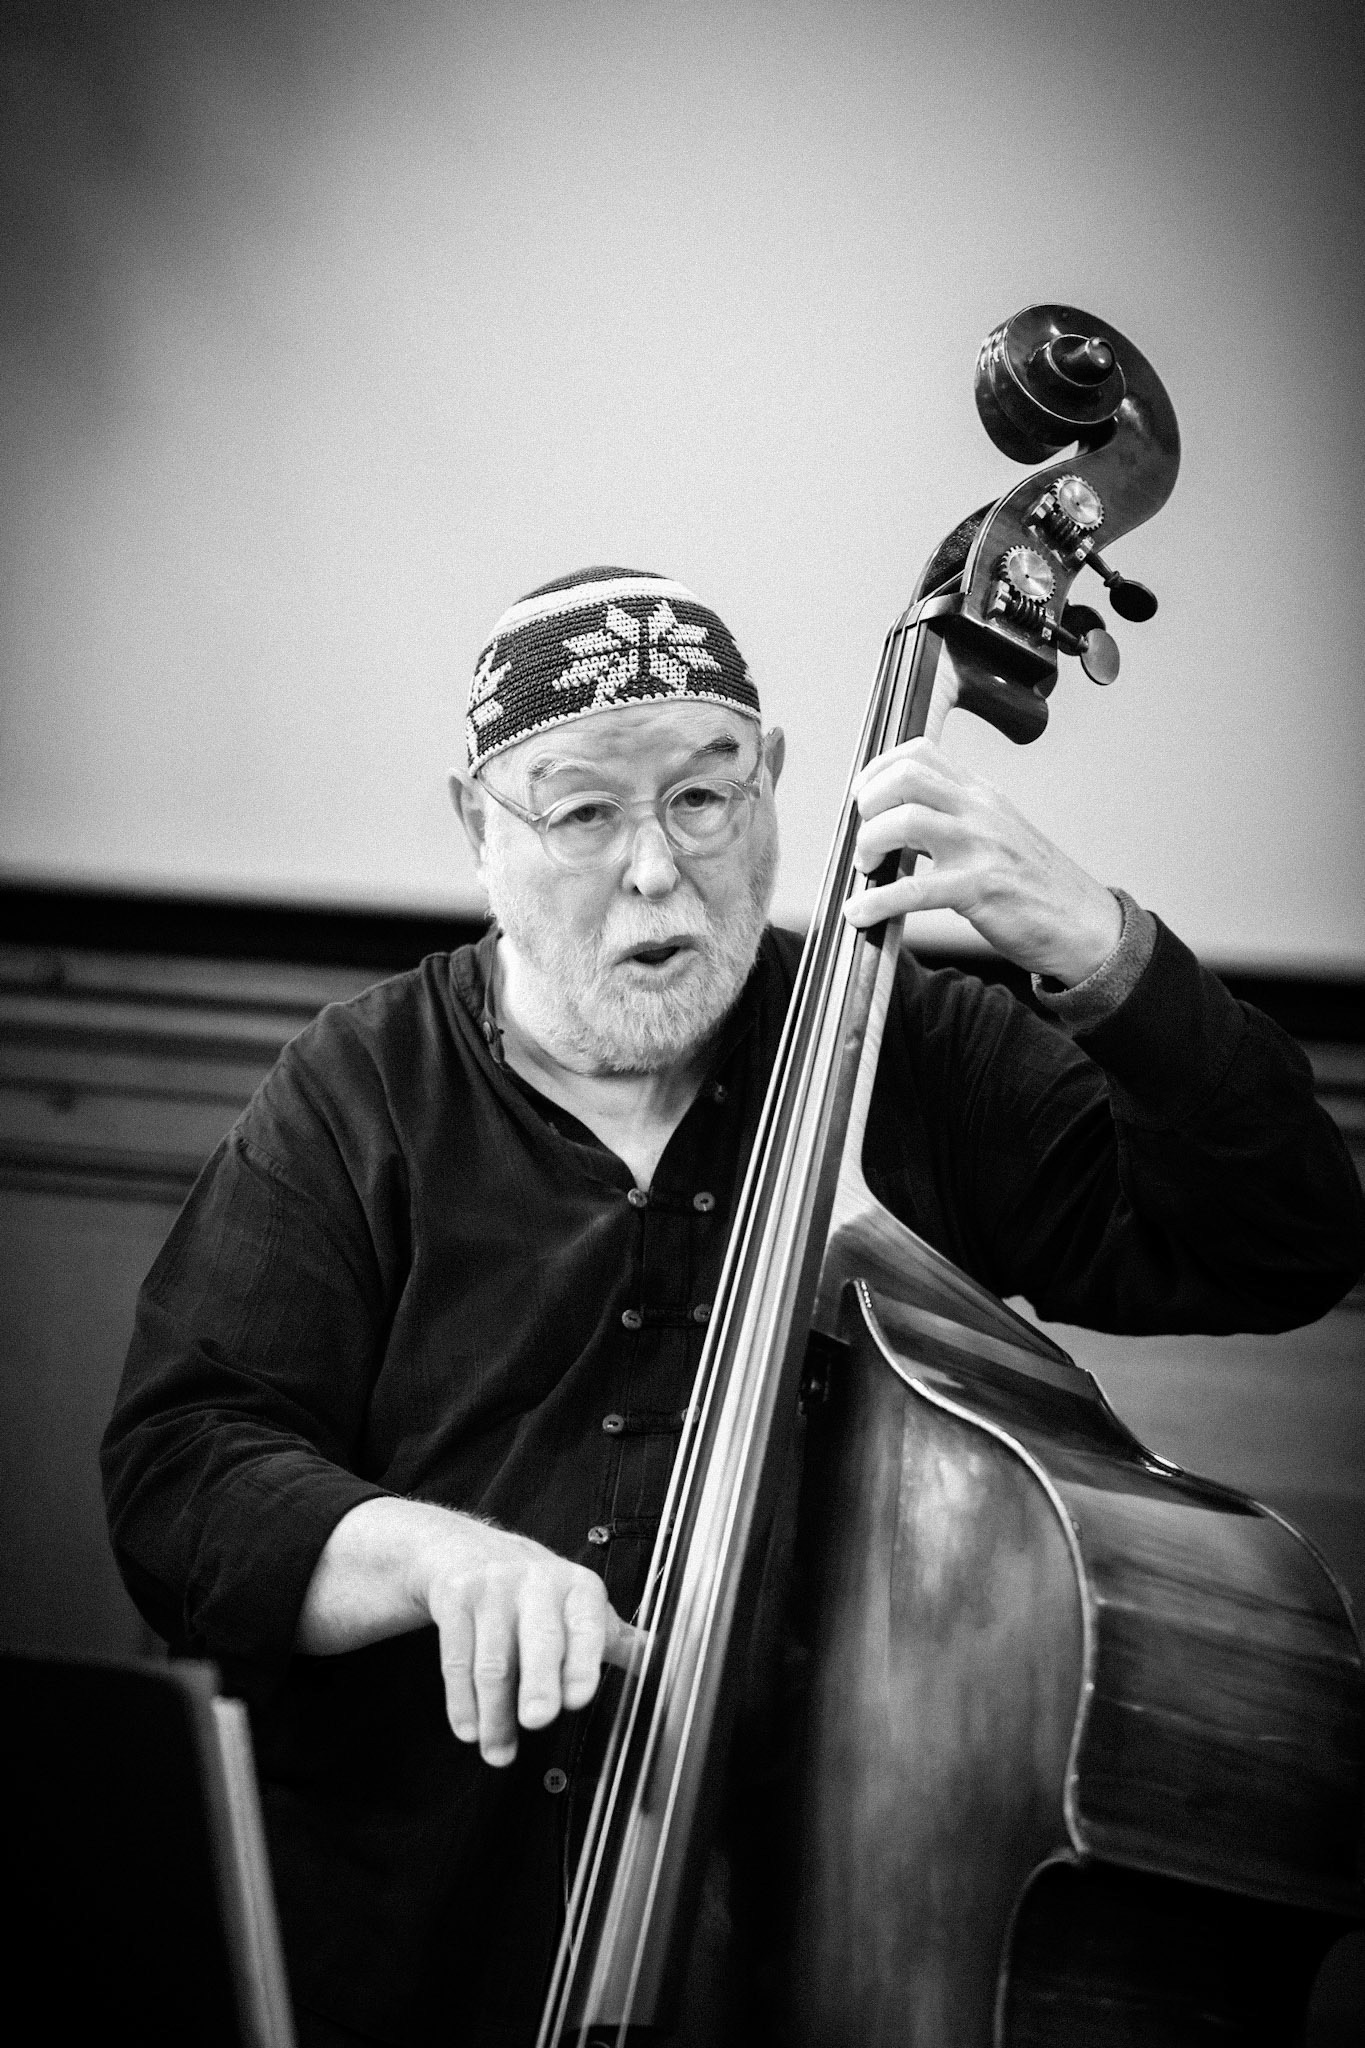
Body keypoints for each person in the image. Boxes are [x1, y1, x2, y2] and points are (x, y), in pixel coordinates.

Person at [102, 566, 1364, 2048]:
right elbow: (181, 1476)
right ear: (476, 829)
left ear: (769, 786)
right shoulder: (359, 1091)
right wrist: (431, 1559)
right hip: (432, 1948)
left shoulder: (912, 1054)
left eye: (703, 798)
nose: (656, 869)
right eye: (580, 813)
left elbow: (1282, 1241)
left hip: (848, 1957)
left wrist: (1098, 949)